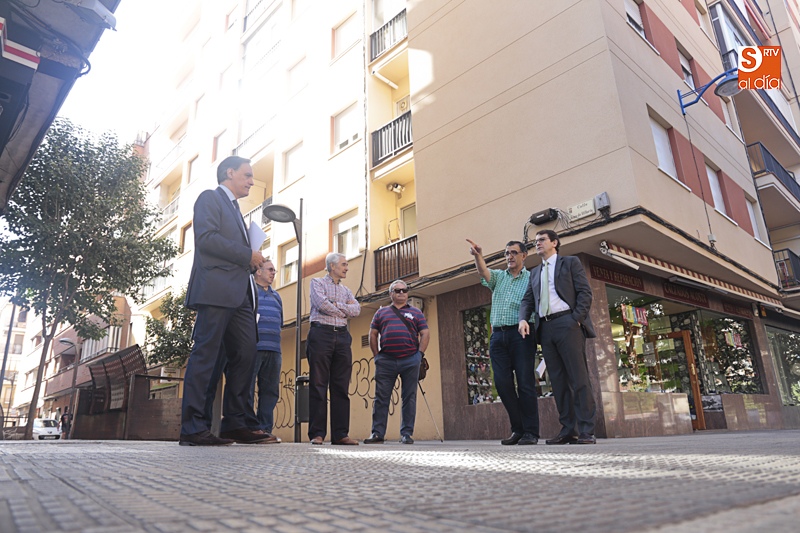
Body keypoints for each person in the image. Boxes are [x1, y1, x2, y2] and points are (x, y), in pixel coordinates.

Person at [180, 155, 276, 446]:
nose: (251, 181)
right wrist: (247, 254)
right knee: (206, 356)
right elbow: (206, 239)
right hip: (215, 290)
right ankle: (193, 428)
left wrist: (251, 259)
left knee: (246, 355)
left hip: (241, 295)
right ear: (229, 173)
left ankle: (235, 424)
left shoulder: (237, 210)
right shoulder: (209, 198)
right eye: (247, 175)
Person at [518, 229, 597, 445]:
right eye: (535, 241)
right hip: (545, 328)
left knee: (579, 378)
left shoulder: (570, 263)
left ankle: (586, 430)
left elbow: (585, 292)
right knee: (559, 382)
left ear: (554, 242)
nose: (538, 244)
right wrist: (523, 319)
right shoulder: (534, 272)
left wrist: (576, 319)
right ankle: (568, 429)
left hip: (567, 323)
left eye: (542, 240)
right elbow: (527, 301)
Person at [467, 239, 539, 445]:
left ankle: (531, 432)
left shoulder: (532, 278)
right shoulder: (499, 277)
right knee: (502, 384)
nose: (509, 256)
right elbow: (483, 272)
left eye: (514, 253)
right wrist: (477, 255)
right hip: (498, 336)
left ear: (524, 256)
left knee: (525, 384)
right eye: (507, 253)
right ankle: (518, 429)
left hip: (522, 334)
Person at [364, 280, 429, 445]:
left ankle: (406, 434)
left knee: (409, 397)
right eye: (397, 290)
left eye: (404, 290)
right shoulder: (381, 313)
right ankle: (377, 433)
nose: (401, 293)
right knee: (381, 398)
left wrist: (419, 355)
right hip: (386, 361)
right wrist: (376, 356)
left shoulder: (416, 312)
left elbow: (425, 333)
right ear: (390, 293)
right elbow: (372, 334)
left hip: (410, 360)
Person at [307, 252, 361, 445]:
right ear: (332, 266)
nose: (347, 267)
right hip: (321, 335)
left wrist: (335, 305)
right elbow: (321, 304)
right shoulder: (317, 283)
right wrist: (343, 310)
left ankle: (340, 435)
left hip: (343, 337)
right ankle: (317, 434)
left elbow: (357, 309)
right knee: (318, 384)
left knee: (341, 387)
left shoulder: (346, 291)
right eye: (344, 264)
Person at [249, 259, 283, 438]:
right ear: (258, 271)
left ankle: (265, 430)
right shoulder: (249, 291)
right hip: (252, 348)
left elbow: (280, 323)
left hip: (274, 351)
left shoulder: (277, 296)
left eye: (274, 270)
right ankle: (248, 427)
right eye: (270, 269)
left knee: (270, 391)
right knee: (247, 388)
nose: (273, 273)